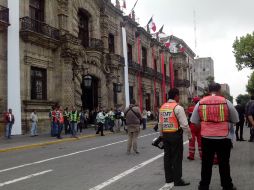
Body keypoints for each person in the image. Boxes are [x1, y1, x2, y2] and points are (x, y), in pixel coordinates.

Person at [190, 83, 239, 190]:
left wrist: (205, 125)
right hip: (223, 137)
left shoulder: (200, 103)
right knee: (224, 163)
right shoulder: (226, 102)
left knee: (206, 163)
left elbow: (194, 121)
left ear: (208, 90)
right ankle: (227, 185)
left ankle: (204, 186)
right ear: (219, 90)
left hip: (206, 137)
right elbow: (235, 119)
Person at [158, 88, 192, 189]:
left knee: (167, 157)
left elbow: (160, 123)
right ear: (176, 96)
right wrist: (189, 136)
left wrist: (161, 136)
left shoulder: (162, 107)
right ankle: (177, 180)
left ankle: (169, 179)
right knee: (177, 158)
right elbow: (185, 125)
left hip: (165, 135)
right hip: (175, 135)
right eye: (179, 96)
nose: (179, 97)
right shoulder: (178, 107)